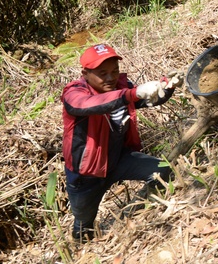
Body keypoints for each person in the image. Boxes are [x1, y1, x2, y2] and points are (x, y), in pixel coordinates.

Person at [62, 43, 181, 242]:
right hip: (87, 174)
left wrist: (165, 88)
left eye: (114, 71)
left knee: (162, 170)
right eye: (103, 73)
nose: (110, 78)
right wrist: (131, 94)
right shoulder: (74, 94)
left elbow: (145, 99)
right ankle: (84, 250)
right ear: (85, 73)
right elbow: (90, 105)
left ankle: (135, 213)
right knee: (83, 226)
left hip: (118, 159)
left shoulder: (121, 87)